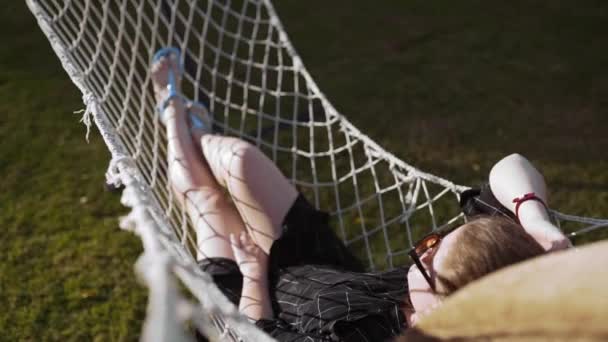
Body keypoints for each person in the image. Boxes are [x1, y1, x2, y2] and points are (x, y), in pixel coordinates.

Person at [150, 48, 571, 341]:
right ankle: (198, 134)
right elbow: (512, 165)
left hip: (250, 303)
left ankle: (172, 116)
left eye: (429, 262)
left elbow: (256, 334)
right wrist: (535, 221)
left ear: (449, 308)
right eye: (434, 244)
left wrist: (256, 272)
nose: (422, 252)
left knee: (208, 203)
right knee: (240, 159)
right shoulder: (488, 272)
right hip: (317, 265)